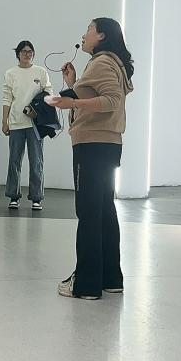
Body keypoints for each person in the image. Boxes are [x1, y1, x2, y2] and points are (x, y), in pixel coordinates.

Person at [50, 18, 134, 301]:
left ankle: (86, 284)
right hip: (107, 144)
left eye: (89, 29)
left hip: (92, 145)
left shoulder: (102, 62)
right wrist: (73, 84)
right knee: (103, 210)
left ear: (102, 35)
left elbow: (111, 101)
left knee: (88, 212)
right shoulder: (111, 63)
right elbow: (101, 96)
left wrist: (72, 101)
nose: (84, 34)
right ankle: (111, 278)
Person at [1, 40, 52, 210]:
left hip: (35, 124)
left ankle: (37, 197)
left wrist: (38, 109)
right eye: (23, 51)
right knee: (14, 160)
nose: (27, 54)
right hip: (16, 122)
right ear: (18, 54)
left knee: (36, 161)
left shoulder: (41, 72)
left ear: (33, 54)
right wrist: (4, 121)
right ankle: (13, 196)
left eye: (30, 51)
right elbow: (7, 98)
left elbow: (48, 93)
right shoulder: (11, 73)